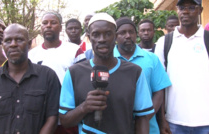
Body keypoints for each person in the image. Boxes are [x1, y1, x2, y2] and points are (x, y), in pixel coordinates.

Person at [59, 13, 154, 134]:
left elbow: (142, 118)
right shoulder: (74, 73)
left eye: (108, 34)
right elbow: (65, 121)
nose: (102, 39)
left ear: (115, 36)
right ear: (89, 37)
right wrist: (85, 107)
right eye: (96, 34)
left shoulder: (135, 72)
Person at [0, 23, 60, 134]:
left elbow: (52, 117)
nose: (13, 45)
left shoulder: (48, 76)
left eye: (19, 40)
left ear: (29, 44)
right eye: (8, 41)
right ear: (3, 45)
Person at [155, 0, 209, 133]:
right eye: (181, 7)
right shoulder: (164, 42)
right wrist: (162, 120)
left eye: (191, 7)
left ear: (200, 11)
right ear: (177, 10)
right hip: (174, 122)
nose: (185, 11)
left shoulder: (207, 39)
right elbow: (158, 84)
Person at [114, 17, 171, 134]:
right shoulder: (108, 60)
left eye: (131, 32)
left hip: (149, 128)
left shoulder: (152, 59)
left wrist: (143, 119)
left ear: (136, 34)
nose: (128, 36)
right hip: (116, 126)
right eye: (122, 33)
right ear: (115, 36)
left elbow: (159, 92)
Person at [29, 11, 86, 84]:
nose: (48, 26)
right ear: (41, 28)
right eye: (45, 23)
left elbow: (82, 80)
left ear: (60, 28)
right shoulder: (31, 55)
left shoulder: (75, 50)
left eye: (53, 23)